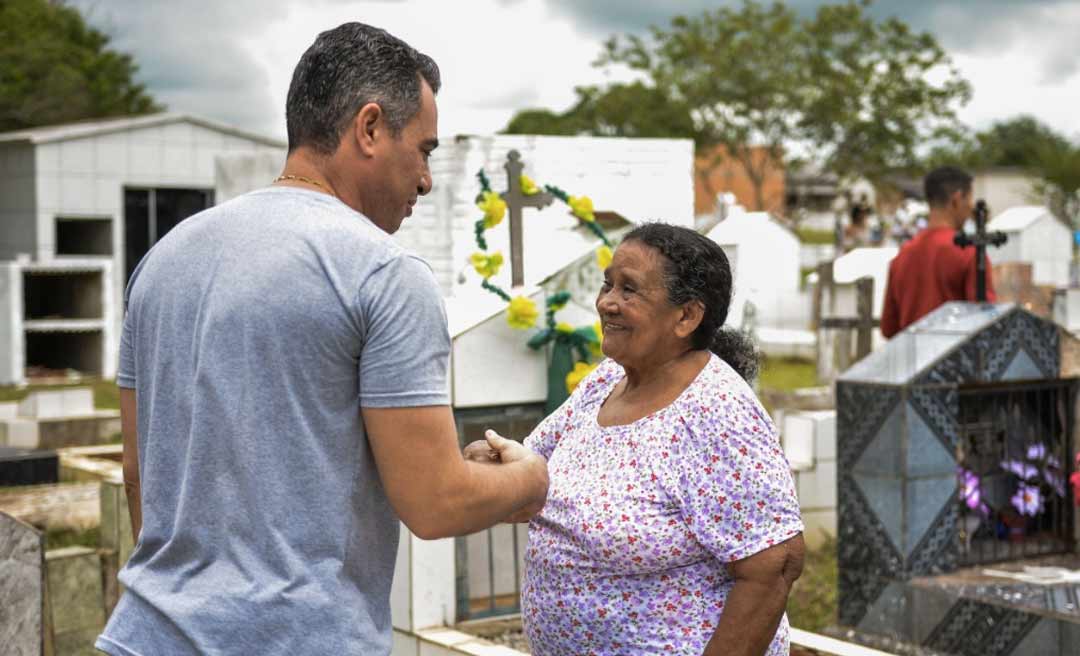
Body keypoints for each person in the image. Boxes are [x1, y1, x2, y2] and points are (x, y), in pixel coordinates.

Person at [97, 23, 548, 656]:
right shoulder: (383, 274)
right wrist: (530, 483)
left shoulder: (165, 258)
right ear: (368, 128)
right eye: (422, 149)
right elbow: (436, 502)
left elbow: (140, 474)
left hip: (146, 637)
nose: (425, 179)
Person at [471, 223, 805, 655]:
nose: (607, 302)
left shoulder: (718, 413)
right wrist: (495, 466)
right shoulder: (607, 382)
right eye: (608, 284)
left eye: (629, 290)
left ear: (686, 316)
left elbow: (775, 564)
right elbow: (533, 481)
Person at [881, 166, 997, 338]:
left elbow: (889, 328)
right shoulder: (970, 253)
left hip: (914, 361)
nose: (971, 209)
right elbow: (986, 324)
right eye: (969, 200)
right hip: (956, 360)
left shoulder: (902, 256)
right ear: (957, 199)